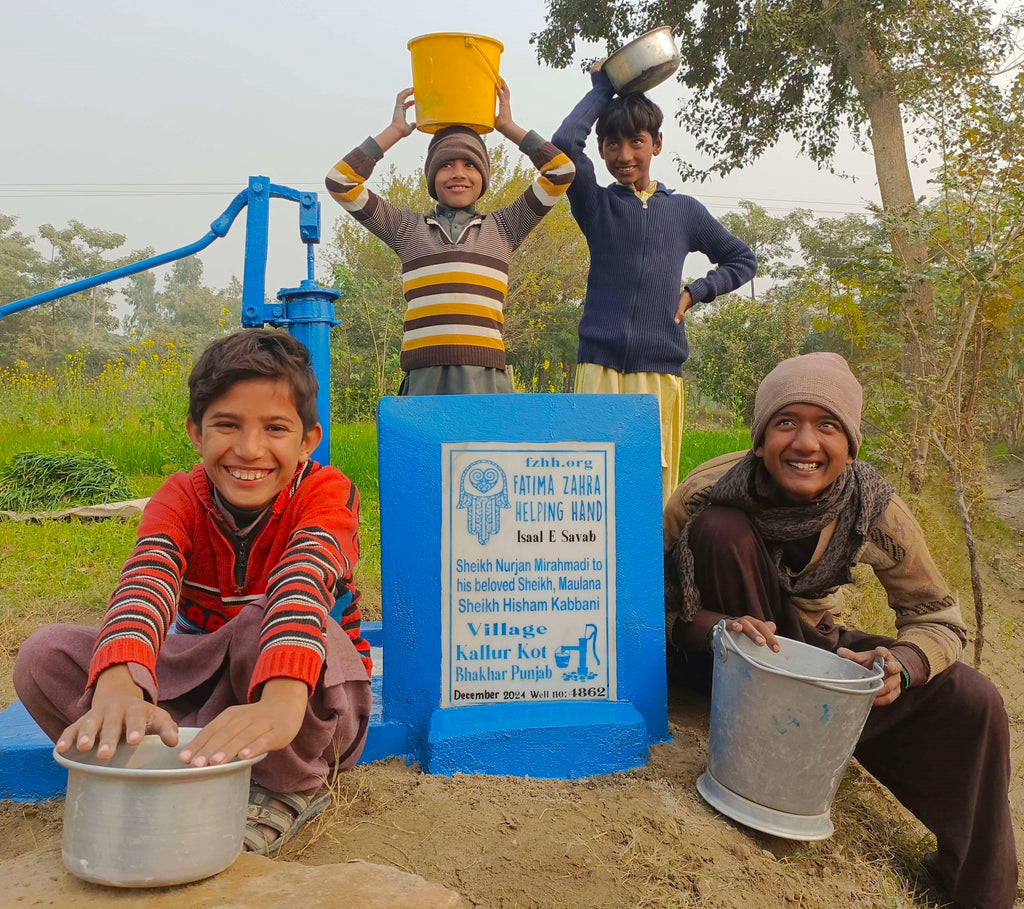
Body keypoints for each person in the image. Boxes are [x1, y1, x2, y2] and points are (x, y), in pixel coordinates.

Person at [663, 352, 1016, 909]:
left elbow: (938, 617)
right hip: (716, 663)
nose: (806, 444)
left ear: (851, 445)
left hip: (804, 651)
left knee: (974, 699)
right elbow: (641, 610)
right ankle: (767, 758)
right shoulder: (705, 493)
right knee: (721, 532)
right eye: (786, 423)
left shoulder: (875, 507)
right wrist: (715, 627)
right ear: (759, 440)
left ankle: (977, 888)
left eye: (827, 426)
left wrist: (903, 662)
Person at [14, 329, 373, 856]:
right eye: (227, 425)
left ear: (307, 440)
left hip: (305, 708)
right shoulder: (180, 496)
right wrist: (118, 684)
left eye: (275, 428)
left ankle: (284, 786)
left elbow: (303, 582)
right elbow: (147, 577)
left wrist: (282, 702)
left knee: (263, 616)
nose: (249, 449)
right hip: (209, 688)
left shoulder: (326, 493)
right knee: (45, 654)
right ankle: (144, 755)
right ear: (195, 432)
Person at [553, 63, 757, 504]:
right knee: (590, 485)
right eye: (612, 144)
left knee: (651, 491)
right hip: (599, 370)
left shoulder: (683, 211)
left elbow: (743, 259)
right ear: (603, 152)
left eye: (636, 142)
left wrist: (695, 291)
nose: (624, 155)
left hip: (659, 374)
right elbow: (565, 143)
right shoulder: (595, 204)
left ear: (657, 144)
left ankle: (654, 574)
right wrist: (603, 88)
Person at [325, 81, 575, 395]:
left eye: (470, 164)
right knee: (422, 446)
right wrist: (395, 131)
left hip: (486, 379)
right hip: (424, 377)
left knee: (487, 445)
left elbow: (561, 171)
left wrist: (507, 126)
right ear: (432, 177)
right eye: (446, 165)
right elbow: (340, 182)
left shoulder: (505, 227)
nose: (458, 173)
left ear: (483, 176)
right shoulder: (407, 229)